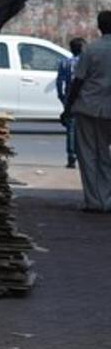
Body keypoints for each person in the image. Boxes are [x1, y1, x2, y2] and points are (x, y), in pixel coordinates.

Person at [63, 13, 111, 212]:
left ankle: (94, 201)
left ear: (99, 26)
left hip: (88, 107)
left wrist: (68, 107)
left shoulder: (91, 49)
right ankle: (107, 199)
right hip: (108, 109)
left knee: (88, 154)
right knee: (104, 154)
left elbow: (78, 81)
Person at [57, 37, 86, 169]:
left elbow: (59, 83)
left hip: (70, 99)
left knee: (71, 130)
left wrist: (63, 98)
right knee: (86, 130)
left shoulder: (65, 63)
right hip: (87, 99)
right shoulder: (88, 62)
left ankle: (71, 157)